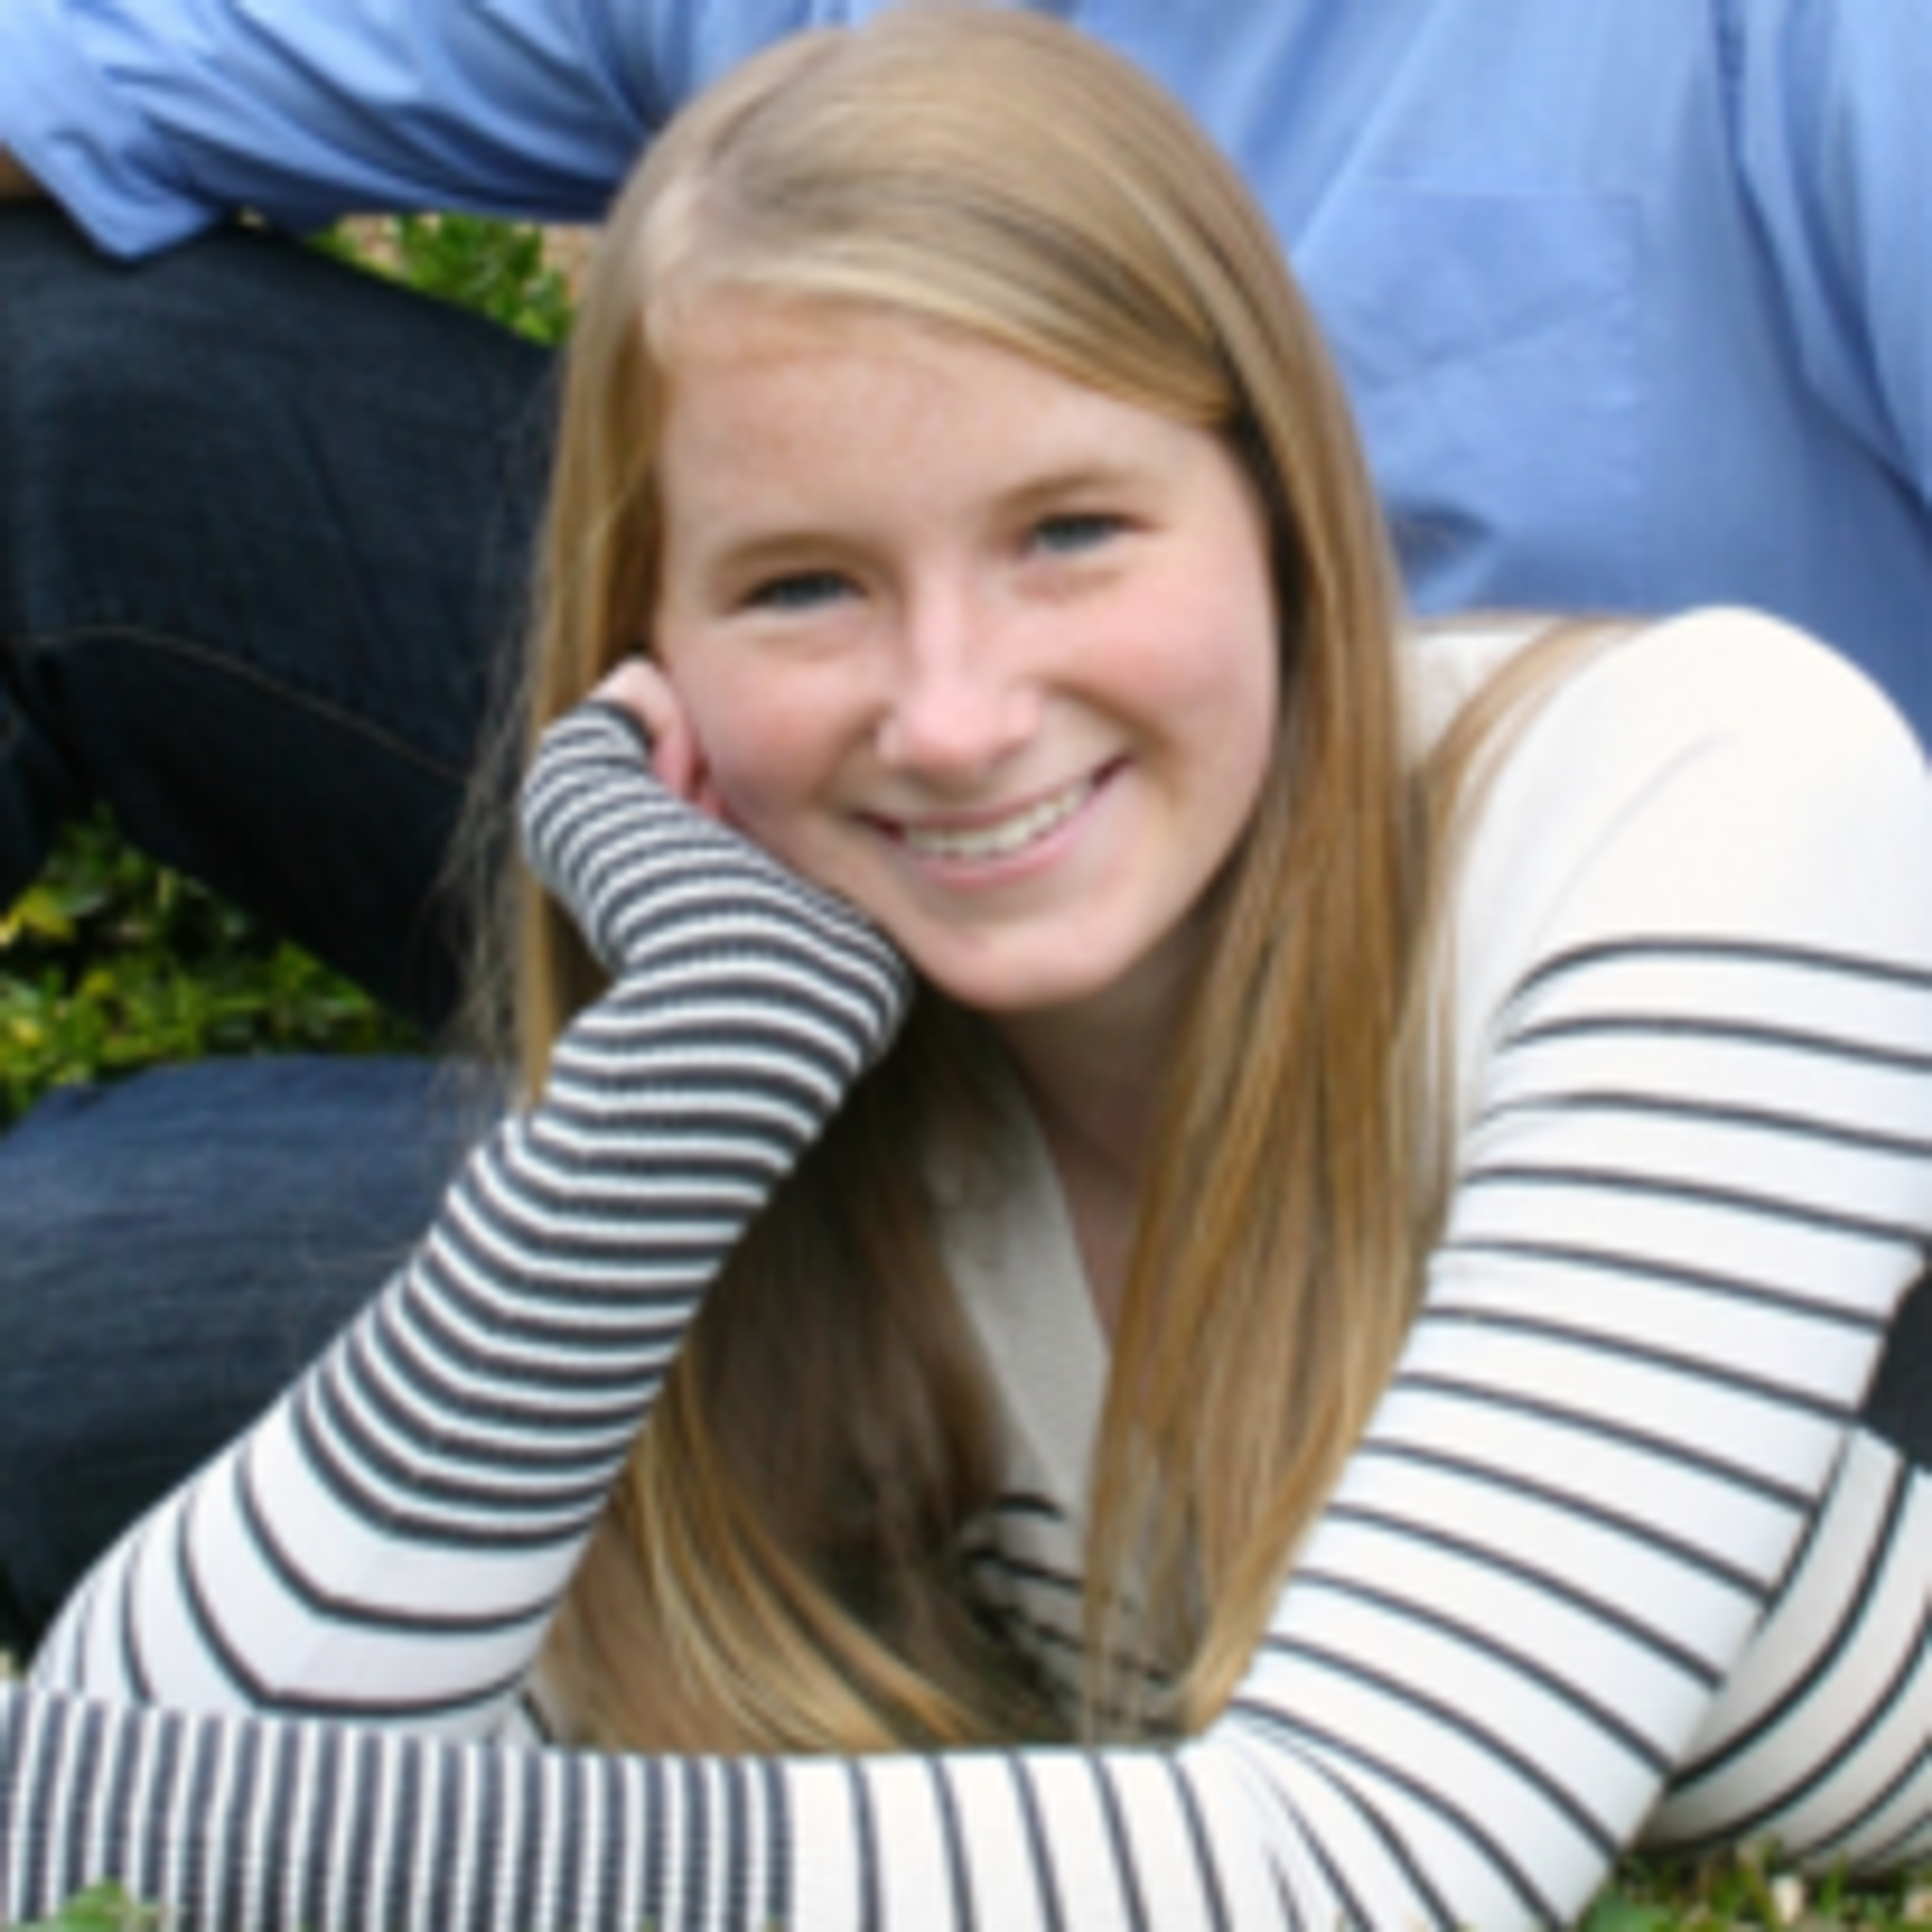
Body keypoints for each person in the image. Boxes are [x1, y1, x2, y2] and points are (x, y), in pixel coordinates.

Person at [3, 14, 1926, 1925]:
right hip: (1001, 1079)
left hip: (1759, 1199)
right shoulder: (872, 1127)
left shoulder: (1704, 793)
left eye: (1072, 534)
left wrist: (202, 1826)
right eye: (800, 586)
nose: (952, 715)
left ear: (1289, 517)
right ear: (642, 645)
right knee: (65, 1274)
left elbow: (1352, 1868)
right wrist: (689, 1067)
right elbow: (147, 1776)